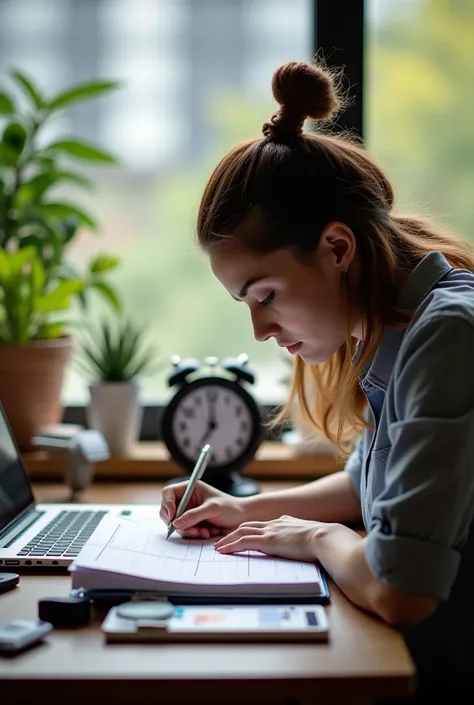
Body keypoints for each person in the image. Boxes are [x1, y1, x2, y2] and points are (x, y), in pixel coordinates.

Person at [160, 60, 474, 702]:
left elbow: (402, 590)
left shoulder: (448, 336)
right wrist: (243, 511)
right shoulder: (402, 329)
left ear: (337, 249)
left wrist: (313, 538)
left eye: (266, 295)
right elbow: (369, 483)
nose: (260, 330)